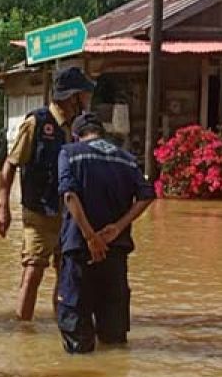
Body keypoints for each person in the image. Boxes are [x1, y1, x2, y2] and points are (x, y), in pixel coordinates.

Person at [0, 66, 96, 320]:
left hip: (68, 214)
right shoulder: (36, 123)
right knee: (33, 272)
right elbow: (10, 164)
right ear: (72, 96)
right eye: (83, 94)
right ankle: (22, 332)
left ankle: (60, 327)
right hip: (39, 213)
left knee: (66, 274)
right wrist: (2, 205)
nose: (86, 100)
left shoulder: (78, 129)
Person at [56, 112, 157, 354]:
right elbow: (147, 195)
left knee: (78, 342)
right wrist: (118, 227)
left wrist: (91, 237)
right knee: (114, 340)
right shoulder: (127, 158)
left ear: (77, 134)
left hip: (80, 252)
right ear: (102, 133)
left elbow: (69, 195)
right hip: (115, 255)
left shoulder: (69, 152)